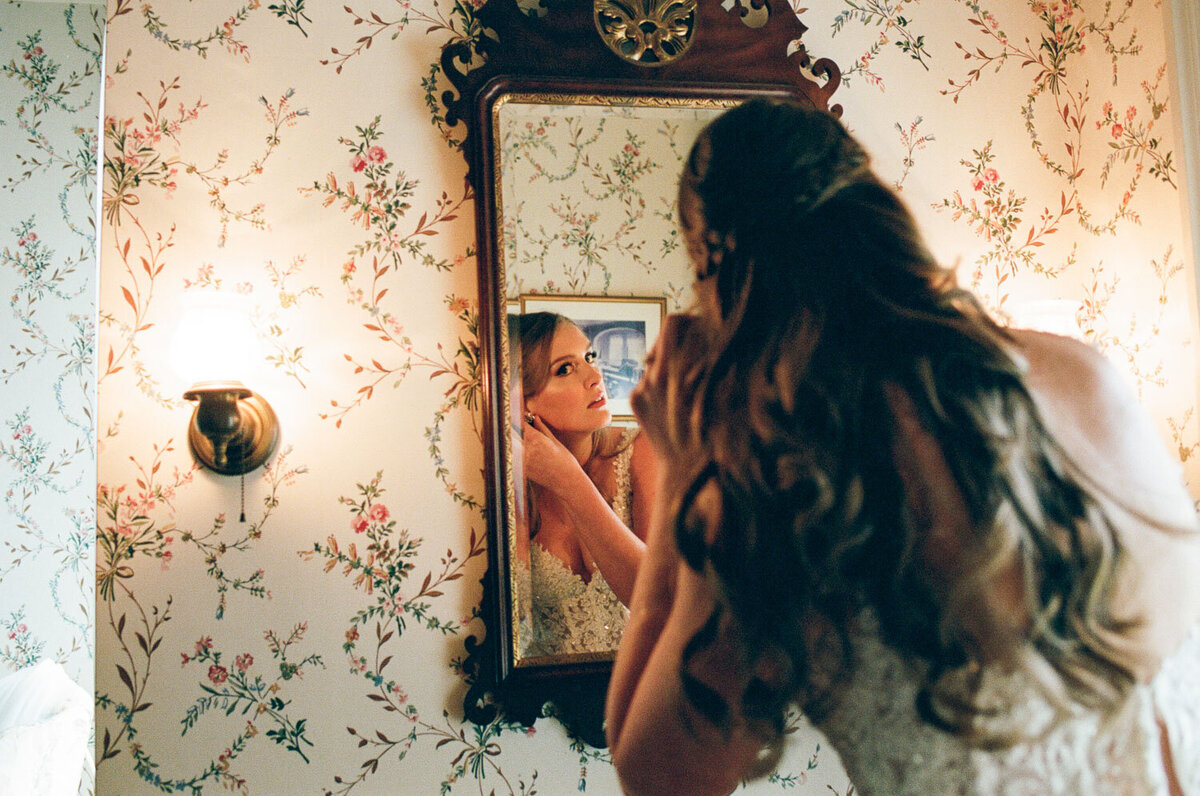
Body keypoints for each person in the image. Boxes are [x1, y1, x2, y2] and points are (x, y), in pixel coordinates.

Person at [605, 99, 1200, 794]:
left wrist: (682, 470)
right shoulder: (1085, 374)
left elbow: (656, 776)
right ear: (876, 209)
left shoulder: (775, 481)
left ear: (718, 275)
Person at [511, 311, 657, 657]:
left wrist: (568, 479)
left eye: (589, 357)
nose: (595, 375)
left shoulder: (642, 449)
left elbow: (656, 599)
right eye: (565, 368)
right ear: (521, 401)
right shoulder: (506, 483)